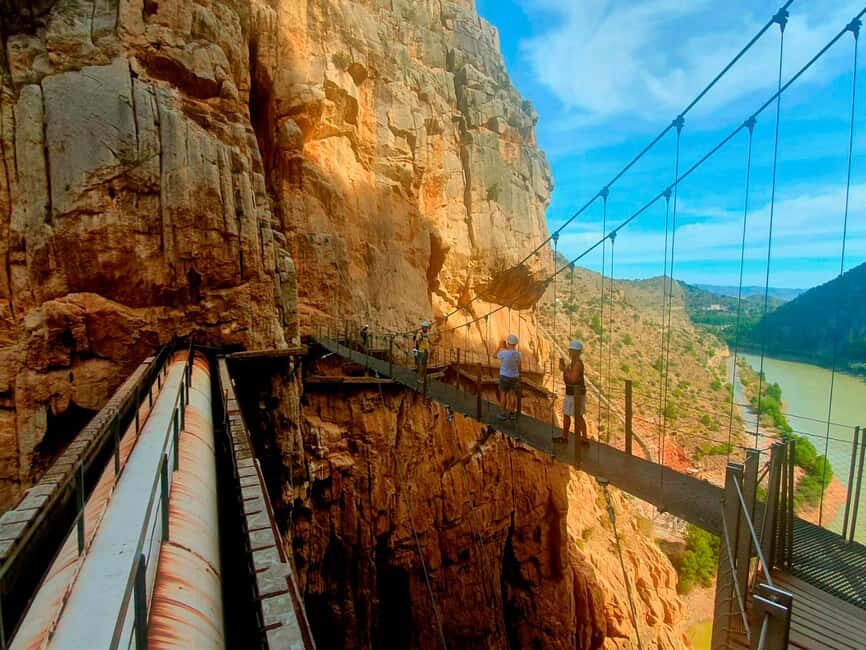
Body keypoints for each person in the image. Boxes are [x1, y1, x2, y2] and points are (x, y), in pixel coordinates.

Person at [557, 340, 588, 444]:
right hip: (572, 393)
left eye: (571, 350)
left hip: (576, 394)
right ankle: (570, 437)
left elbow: (573, 379)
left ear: (577, 352)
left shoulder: (578, 364)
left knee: (576, 416)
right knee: (571, 415)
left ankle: (582, 439)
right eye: (570, 350)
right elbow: (567, 379)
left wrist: (564, 370)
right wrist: (564, 369)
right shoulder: (573, 364)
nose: (570, 352)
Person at [496, 334, 521, 420]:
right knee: (512, 395)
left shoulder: (503, 353)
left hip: (504, 376)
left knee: (503, 394)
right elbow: (518, 365)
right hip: (514, 377)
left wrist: (499, 347)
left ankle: (503, 414)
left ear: (508, 343)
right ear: (515, 344)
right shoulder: (518, 354)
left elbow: (494, 356)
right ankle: (511, 414)